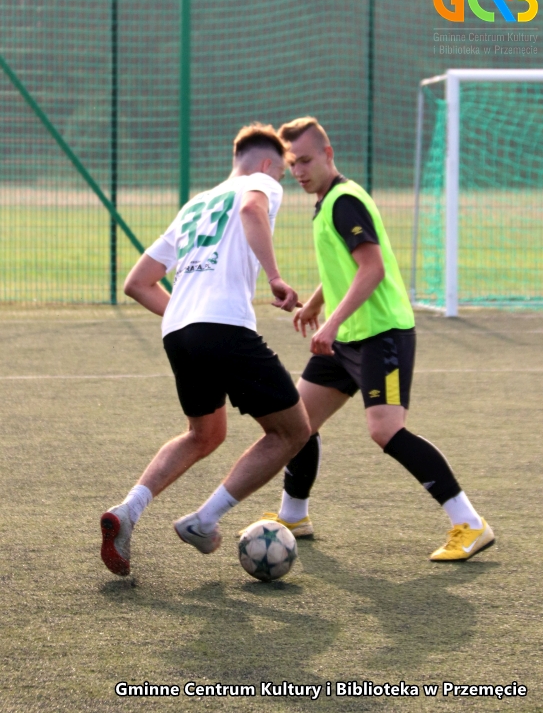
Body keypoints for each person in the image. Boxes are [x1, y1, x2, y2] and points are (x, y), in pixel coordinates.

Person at [246, 116, 494, 562]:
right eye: (292, 163)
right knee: (298, 423)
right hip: (347, 336)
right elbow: (345, 266)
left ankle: (470, 523)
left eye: (306, 160)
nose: (298, 171)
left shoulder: (345, 201)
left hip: (381, 333)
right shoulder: (326, 202)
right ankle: (294, 515)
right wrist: (317, 304)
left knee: (385, 430)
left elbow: (372, 268)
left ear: (328, 154)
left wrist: (330, 324)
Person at [100, 123, 310, 576]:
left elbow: (137, 283)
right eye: (283, 172)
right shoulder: (262, 183)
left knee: (204, 434)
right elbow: (252, 209)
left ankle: (127, 511)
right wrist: (274, 277)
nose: (281, 180)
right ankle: (204, 519)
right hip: (225, 326)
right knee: (292, 432)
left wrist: (188, 313)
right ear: (268, 164)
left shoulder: (195, 204)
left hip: (179, 333)